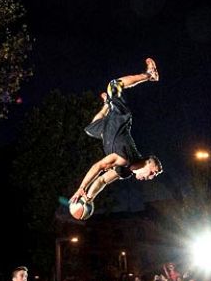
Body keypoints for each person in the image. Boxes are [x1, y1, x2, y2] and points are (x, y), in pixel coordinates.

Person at [69, 59, 163, 208]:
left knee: (90, 128)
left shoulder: (125, 171)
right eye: (152, 173)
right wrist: (82, 187)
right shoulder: (123, 158)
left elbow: (102, 181)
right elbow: (98, 166)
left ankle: (107, 105)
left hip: (107, 130)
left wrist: (88, 198)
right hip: (120, 118)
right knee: (114, 85)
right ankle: (149, 75)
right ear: (147, 163)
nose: (150, 178)